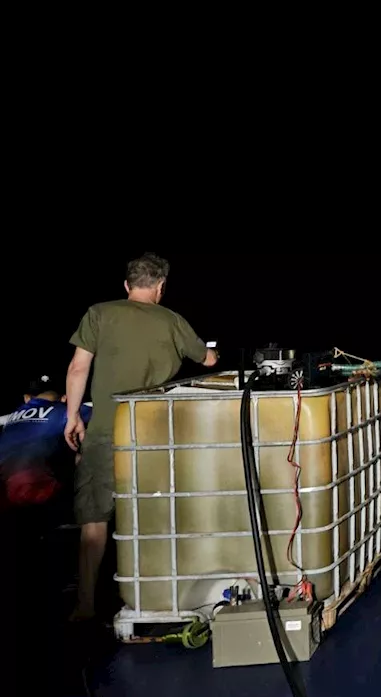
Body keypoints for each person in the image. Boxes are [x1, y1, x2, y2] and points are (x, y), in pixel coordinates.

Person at [64, 253, 218, 621]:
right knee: (157, 517)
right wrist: (210, 350)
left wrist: (72, 417)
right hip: (154, 437)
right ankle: (159, 598)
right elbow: (208, 361)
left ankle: (85, 605)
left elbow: (78, 367)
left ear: (127, 285)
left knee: (94, 520)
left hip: (104, 430)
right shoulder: (172, 320)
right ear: (161, 287)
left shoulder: (98, 313)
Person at [0, 376, 84, 511]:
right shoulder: (65, 411)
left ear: (27, 398)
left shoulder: (11, 418)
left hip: (5, 497)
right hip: (39, 493)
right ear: (64, 398)